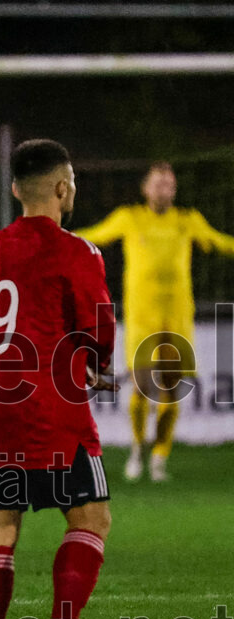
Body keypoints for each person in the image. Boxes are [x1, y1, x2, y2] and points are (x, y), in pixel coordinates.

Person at [0, 139, 122, 619]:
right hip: (52, 411)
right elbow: (98, 325)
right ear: (61, 188)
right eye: (71, 181)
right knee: (90, 518)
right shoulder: (77, 252)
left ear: (14, 189)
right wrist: (96, 365)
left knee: (0, 526)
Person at [76, 162, 234, 482]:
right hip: (142, 318)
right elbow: (93, 236)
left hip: (177, 316)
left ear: (174, 191)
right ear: (146, 189)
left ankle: (160, 457)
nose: (164, 189)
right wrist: (51, 237)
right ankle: (137, 448)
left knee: (173, 392)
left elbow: (218, 241)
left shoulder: (187, 221)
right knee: (142, 387)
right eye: (158, 183)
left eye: (169, 184)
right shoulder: (129, 218)